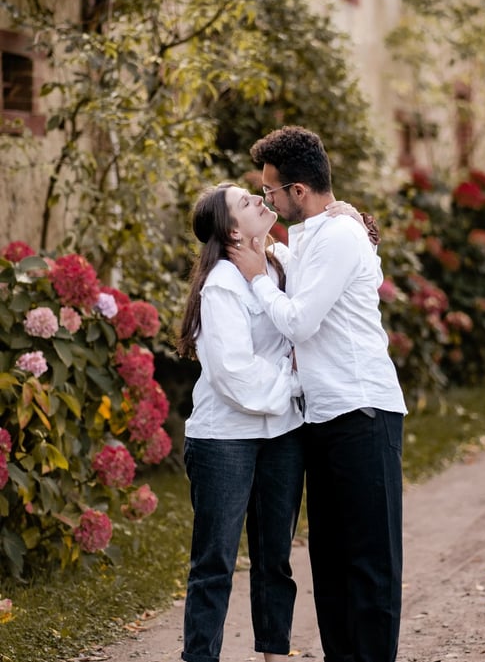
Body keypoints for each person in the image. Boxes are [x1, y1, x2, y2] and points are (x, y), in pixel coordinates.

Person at [229, 126, 407, 662]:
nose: (267, 201)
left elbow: (300, 321)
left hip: (363, 410)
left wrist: (258, 275)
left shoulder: (339, 237)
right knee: (329, 562)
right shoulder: (321, 231)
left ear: (298, 191)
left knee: (370, 563)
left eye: (271, 193)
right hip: (323, 416)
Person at [177, 182, 303, 662]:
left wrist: (354, 220)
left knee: (276, 559)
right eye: (245, 202)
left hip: (283, 437)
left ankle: (275, 655)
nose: (258, 199)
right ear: (232, 230)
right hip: (224, 441)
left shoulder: (282, 264)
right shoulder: (222, 285)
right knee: (215, 563)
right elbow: (234, 373)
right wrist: (294, 385)